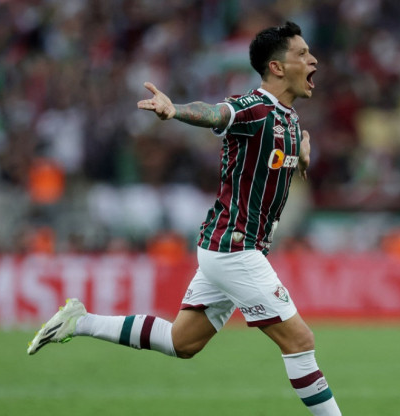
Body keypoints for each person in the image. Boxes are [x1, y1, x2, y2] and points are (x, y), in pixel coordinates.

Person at [27, 21, 341, 416]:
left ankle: (81, 322)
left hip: (228, 246)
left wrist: (303, 149)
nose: (312, 59)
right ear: (276, 67)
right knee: (299, 341)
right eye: (301, 53)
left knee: (182, 343)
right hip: (235, 248)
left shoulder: (290, 120)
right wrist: (175, 110)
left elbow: (283, 148)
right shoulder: (253, 108)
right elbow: (215, 113)